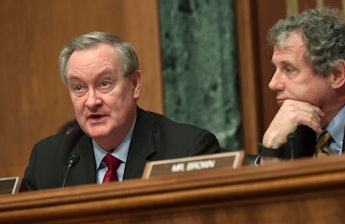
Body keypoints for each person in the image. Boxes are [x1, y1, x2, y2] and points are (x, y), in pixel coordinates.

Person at [22, 31, 220, 190]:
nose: (91, 101)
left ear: (135, 85)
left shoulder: (187, 151)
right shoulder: (47, 161)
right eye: (79, 88)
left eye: (104, 83)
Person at [257, 7, 345, 164]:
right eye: (276, 69)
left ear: (337, 74)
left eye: (289, 69)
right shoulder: (295, 126)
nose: (273, 84)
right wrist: (270, 150)